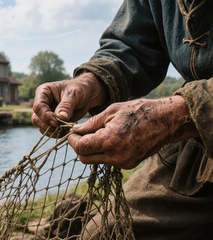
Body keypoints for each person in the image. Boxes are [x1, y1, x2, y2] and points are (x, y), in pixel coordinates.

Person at [32, 0, 212, 239]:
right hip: (196, 146)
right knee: (104, 234)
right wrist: (88, 84)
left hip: (189, 122)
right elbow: (130, 45)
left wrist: (173, 117)